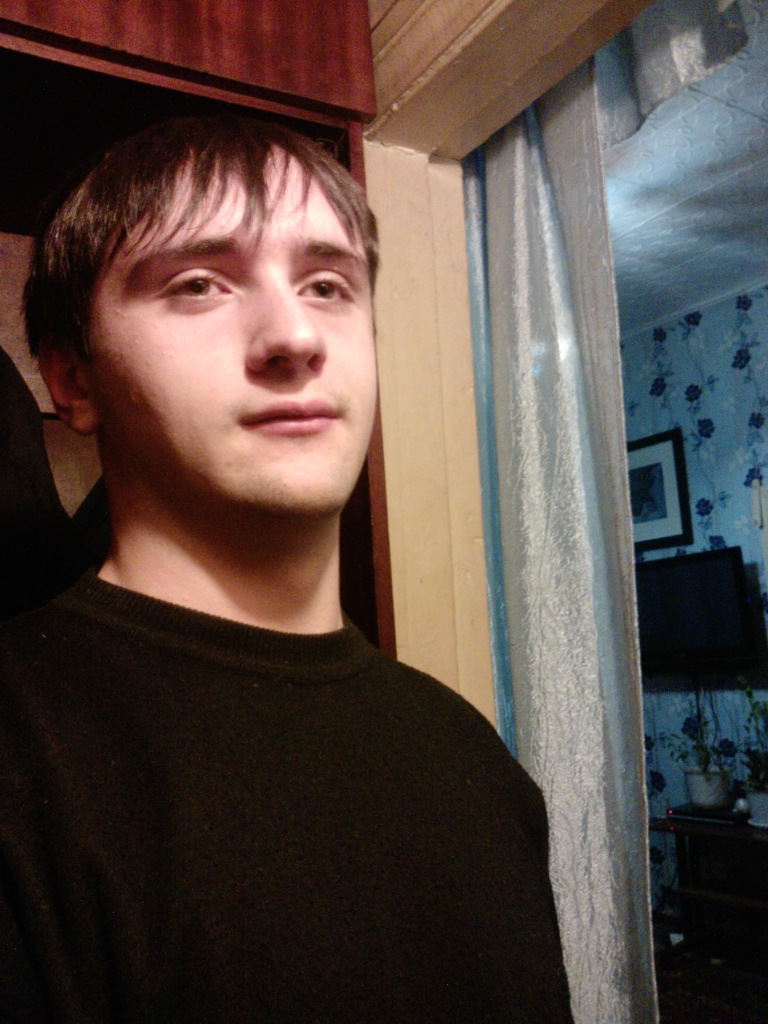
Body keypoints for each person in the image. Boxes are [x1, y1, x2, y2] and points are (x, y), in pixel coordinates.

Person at [0, 115, 573, 1022]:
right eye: (198, 284)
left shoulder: (475, 760)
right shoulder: (20, 752)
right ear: (73, 380)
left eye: (327, 285)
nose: (296, 335)